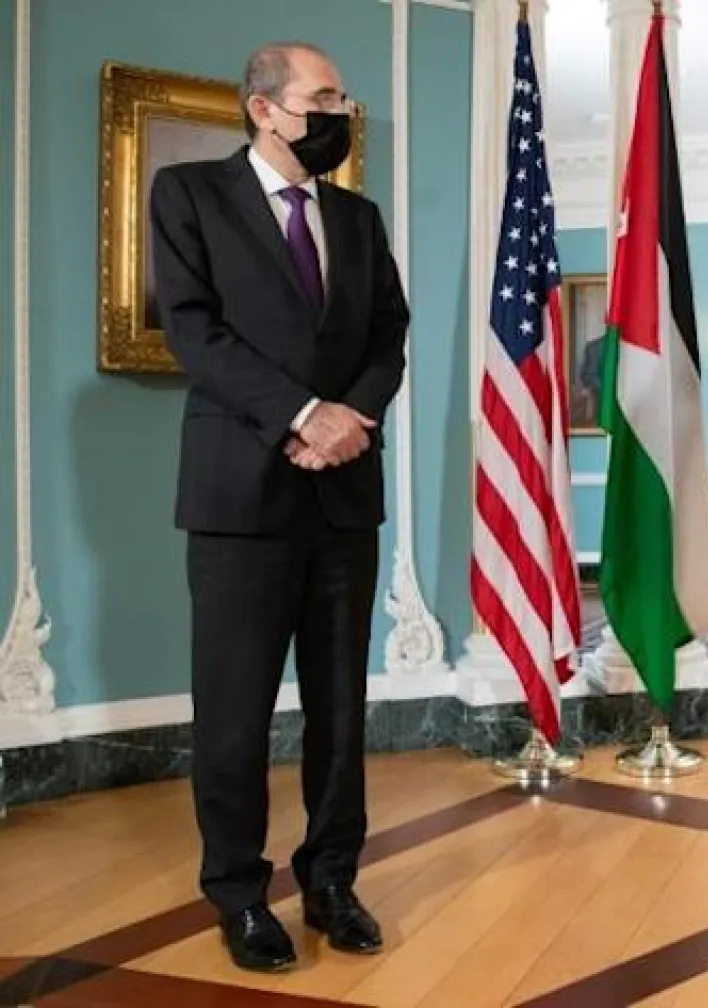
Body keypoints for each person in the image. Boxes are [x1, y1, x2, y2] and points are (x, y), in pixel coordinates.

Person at [150, 41, 407, 973]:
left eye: (342, 95)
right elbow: (193, 330)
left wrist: (354, 418)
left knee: (341, 709)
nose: (341, 110)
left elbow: (390, 336)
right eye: (324, 96)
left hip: (343, 496)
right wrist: (304, 415)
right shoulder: (188, 196)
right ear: (264, 108)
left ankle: (333, 879)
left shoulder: (358, 214)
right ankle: (240, 894)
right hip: (239, 494)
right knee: (234, 710)